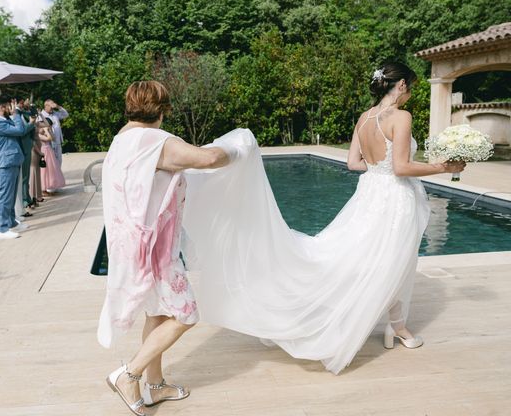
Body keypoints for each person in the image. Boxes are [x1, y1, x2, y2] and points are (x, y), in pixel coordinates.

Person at [180, 62, 466, 375]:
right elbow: (401, 167)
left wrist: (377, 169)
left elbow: (353, 162)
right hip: (395, 198)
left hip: (369, 194)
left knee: (373, 260)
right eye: (409, 87)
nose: (410, 93)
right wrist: (443, 168)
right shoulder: (401, 117)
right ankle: (395, 327)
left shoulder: (364, 118)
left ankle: (394, 325)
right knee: (395, 261)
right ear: (398, 86)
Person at [99, 81, 232, 416]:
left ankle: (156, 387)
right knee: (186, 314)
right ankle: (128, 374)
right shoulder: (155, 142)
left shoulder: (121, 141)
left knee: (157, 314)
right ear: (161, 109)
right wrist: (238, 146)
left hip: (131, 248)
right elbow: (209, 158)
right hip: (156, 251)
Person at [0, 97, 34, 240]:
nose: (11, 108)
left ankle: (12, 222)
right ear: (2, 107)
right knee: (5, 196)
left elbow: (18, 129)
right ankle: (2, 229)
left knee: (12, 195)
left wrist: (14, 115)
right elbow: (20, 130)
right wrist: (16, 114)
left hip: (12, 160)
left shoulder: (2, 120)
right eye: (9, 106)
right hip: (6, 163)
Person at [39, 118, 65, 194]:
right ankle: (43, 189)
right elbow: (48, 138)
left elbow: (53, 138)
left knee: (51, 169)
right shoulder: (38, 134)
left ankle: (51, 186)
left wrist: (49, 130)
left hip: (49, 151)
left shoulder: (45, 132)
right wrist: (46, 131)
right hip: (43, 151)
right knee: (44, 170)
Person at [40, 99, 68, 170]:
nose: (52, 107)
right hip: (49, 143)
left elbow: (66, 114)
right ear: (46, 106)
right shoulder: (41, 115)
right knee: (51, 163)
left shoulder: (55, 113)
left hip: (58, 142)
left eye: (53, 105)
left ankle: (58, 178)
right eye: (51, 105)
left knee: (59, 162)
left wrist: (58, 107)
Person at [28, 118, 46, 206]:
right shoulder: (30, 126)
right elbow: (32, 142)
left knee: (37, 172)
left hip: (38, 150)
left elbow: (47, 124)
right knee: (33, 172)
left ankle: (38, 195)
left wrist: (41, 115)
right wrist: (39, 152)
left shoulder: (36, 124)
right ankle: (32, 195)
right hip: (34, 151)